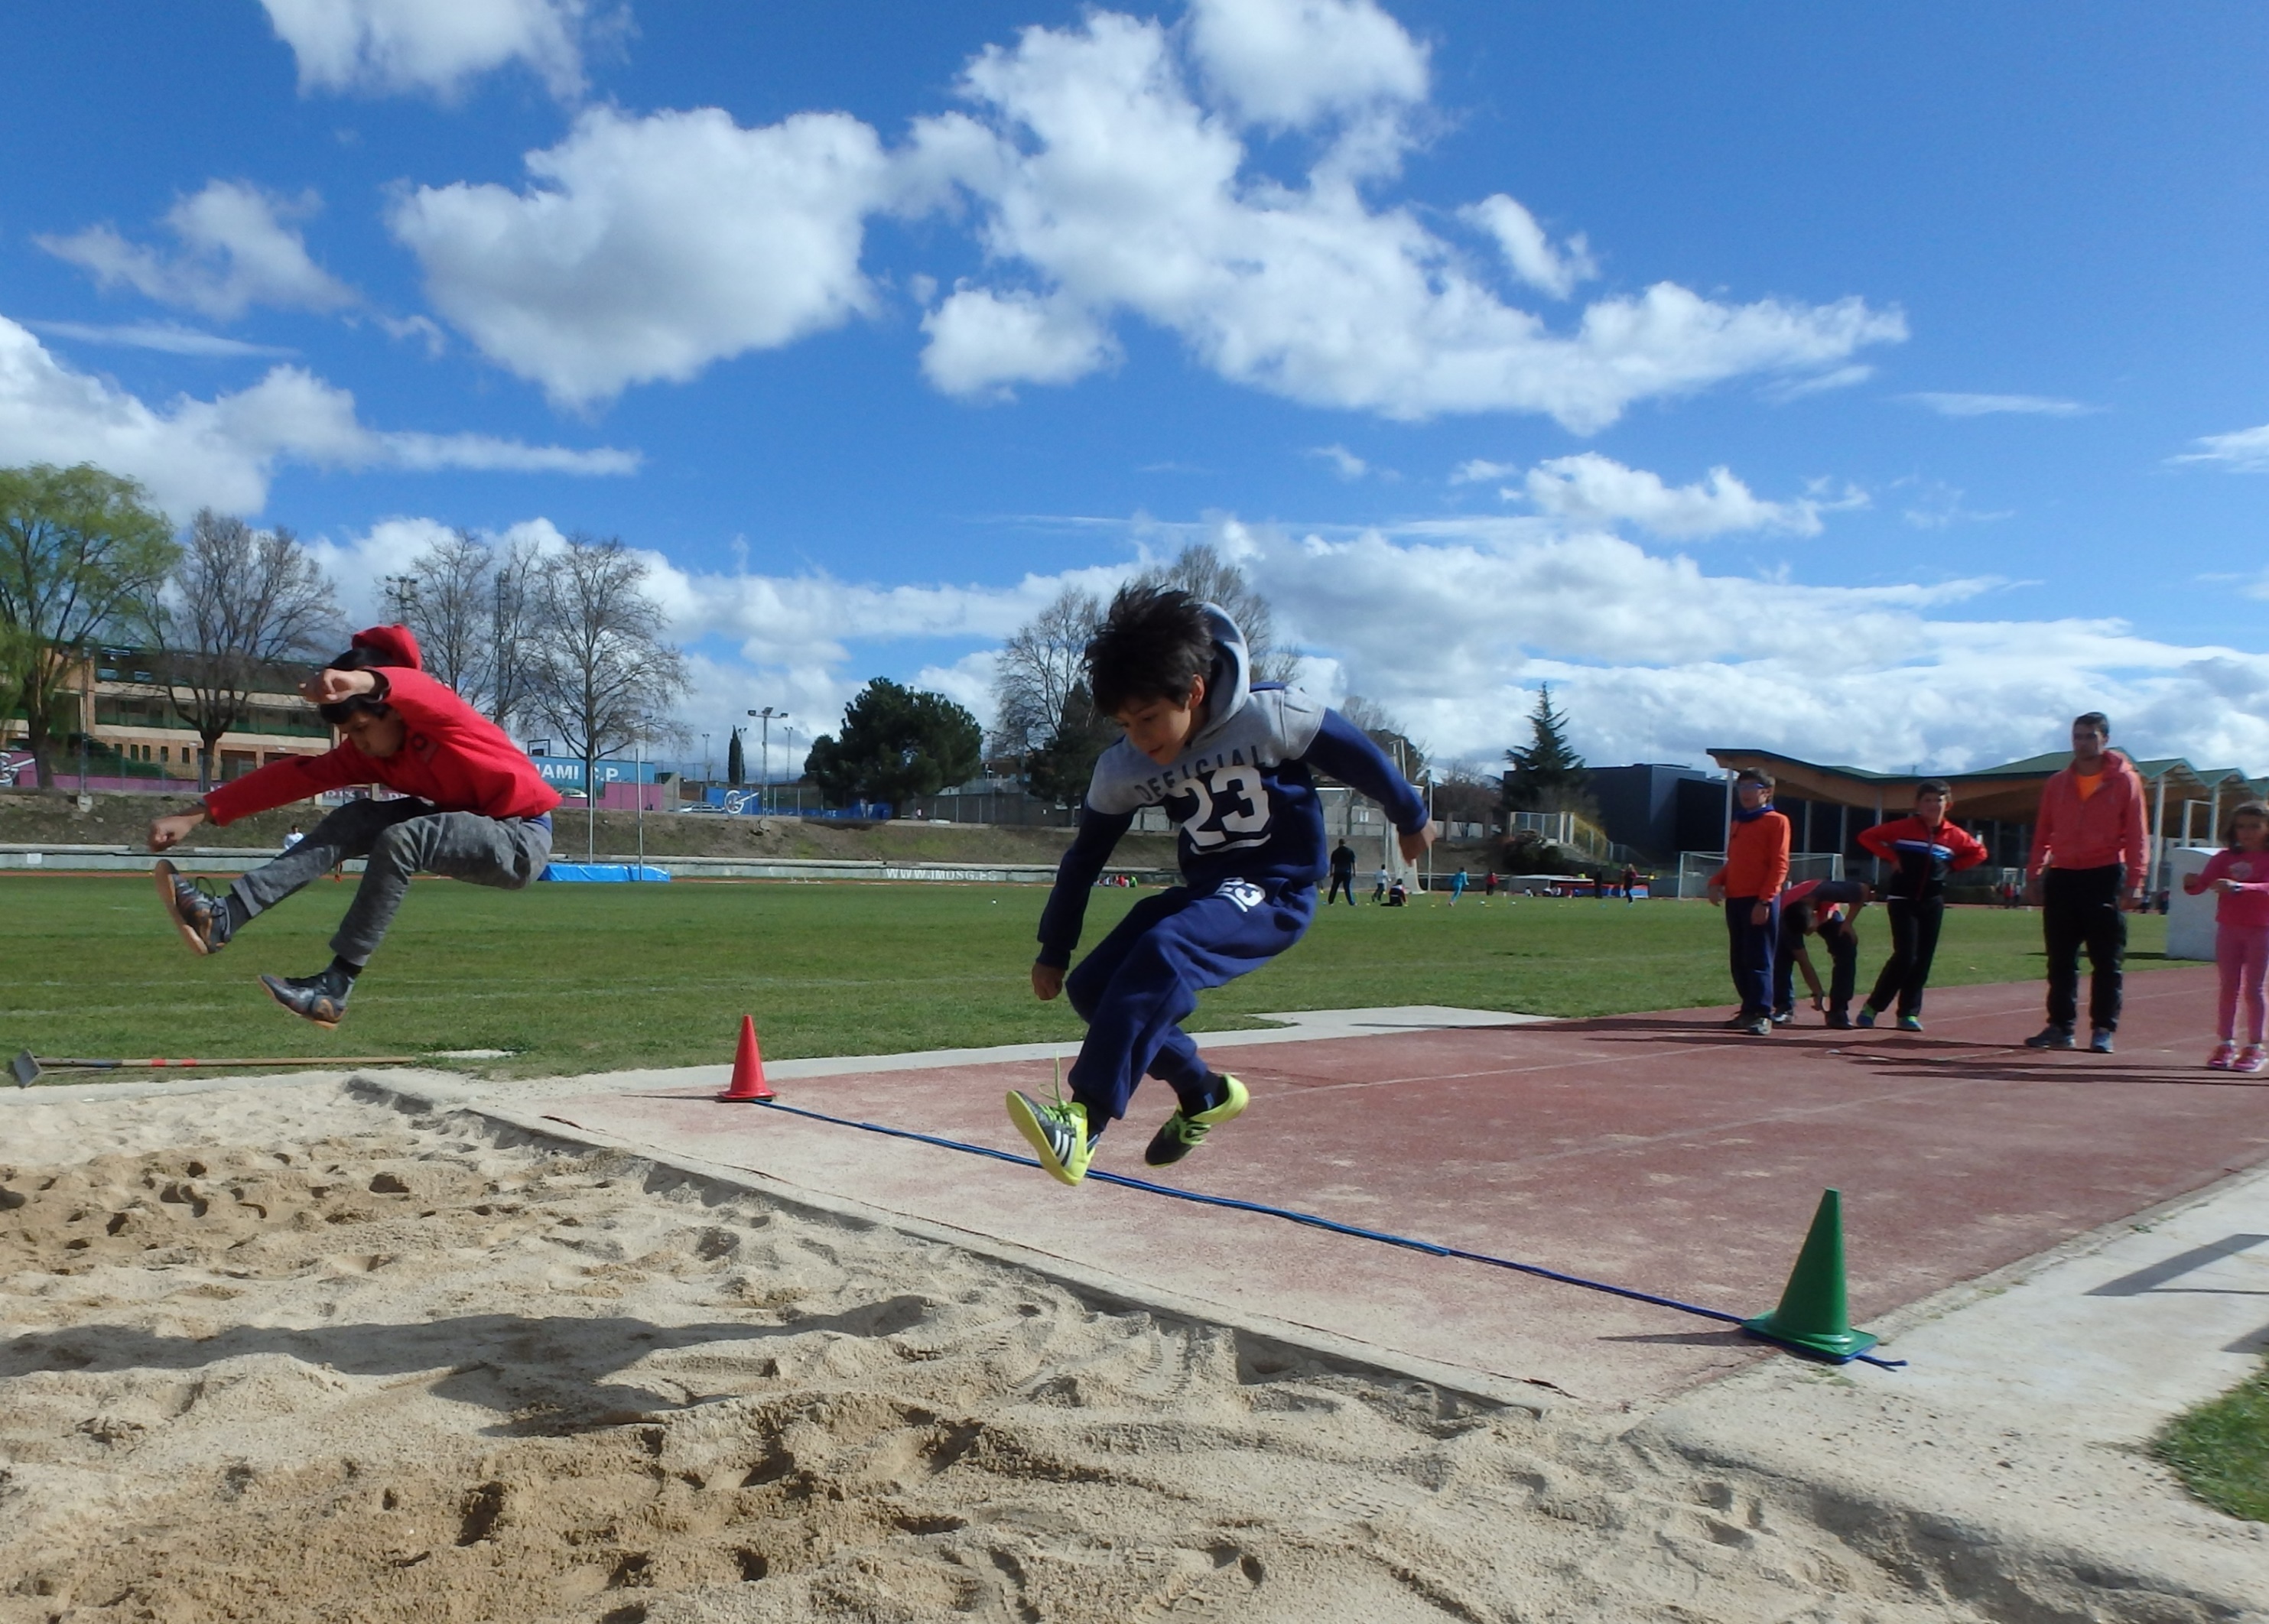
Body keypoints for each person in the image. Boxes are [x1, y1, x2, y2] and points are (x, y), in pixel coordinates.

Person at [1014, 588, 1432, 1185]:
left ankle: (1084, 1122)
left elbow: (1362, 760)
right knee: (1094, 988)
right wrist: (1055, 949)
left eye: (1149, 719)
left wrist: (1410, 817)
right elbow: (1084, 856)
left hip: (1275, 891)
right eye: (1124, 724)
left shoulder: (1272, 717)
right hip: (1210, 891)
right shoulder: (1124, 767)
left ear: (1194, 690)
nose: (1139, 737)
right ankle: (1203, 1091)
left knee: (1164, 951)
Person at [148, 625, 559, 1029]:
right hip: (464, 822)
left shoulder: (442, 719)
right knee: (356, 817)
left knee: (404, 838)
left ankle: (336, 985)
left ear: (393, 709)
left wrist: (362, 680)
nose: (357, 743)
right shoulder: (366, 756)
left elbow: (421, 690)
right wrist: (197, 812)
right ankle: (224, 917)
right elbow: (291, 778)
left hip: (519, 837)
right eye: (347, 734)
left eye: (362, 728)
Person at [2021, 713, 2149, 1054]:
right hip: (2062, 875)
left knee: (2106, 959)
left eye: (2089, 736)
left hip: (2104, 874)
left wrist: (2136, 881)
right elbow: (2043, 832)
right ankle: (2060, 1026)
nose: (2082, 743)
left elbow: (2137, 834)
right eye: (2077, 736)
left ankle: (2103, 1028)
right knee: (2060, 958)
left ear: (2105, 739)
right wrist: (2034, 872)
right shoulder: (2058, 783)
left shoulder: (2125, 781)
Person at [1853, 781, 1989, 1032]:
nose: (1932, 805)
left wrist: (1953, 867)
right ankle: (1872, 1007)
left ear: (1947, 805)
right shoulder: (1902, 828)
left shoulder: (1955, 835)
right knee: (1906, 956)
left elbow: (1979, 852)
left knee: (1923, 959)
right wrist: (1892, 857)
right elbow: (1867, 837)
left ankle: (1908, 1014)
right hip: (1903, 898)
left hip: (1932, 901)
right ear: (1917, 804)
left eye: (1938, 800)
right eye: (1926, 800)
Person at [2183, 800, 2269, 1073]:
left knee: (2254, 989)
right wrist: (2192, 884)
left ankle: (2255, 1046)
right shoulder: (2224, 857)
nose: (2247, 832)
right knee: (2228, 987)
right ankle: (2226, 1042)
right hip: (2229, 928)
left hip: (2262, 929)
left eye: (2255, 826)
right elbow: (2203, 885)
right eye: (2241, 826)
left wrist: (2241, 887)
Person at [1706, 770, 1791, 1036]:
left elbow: (1779, 865)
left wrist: (1765, 901)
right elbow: (1736, 863)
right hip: (1736, 899)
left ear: (1766, 791)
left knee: (1758, 959)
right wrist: (1716, 881)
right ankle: (1748, 1009)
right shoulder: (1739, 822)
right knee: (1740, 959)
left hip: (1759, 899)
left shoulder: (1777, 821)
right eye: (1740, 786)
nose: (1744, 792)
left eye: (1751, 786)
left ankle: (1763, 1013)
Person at [1772, 879, 1873, 1028]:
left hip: (1827, 909)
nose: (1809, 935)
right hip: (1791, 914)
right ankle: (1784, 1006)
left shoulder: (1828, 891)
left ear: (1814, 915)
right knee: (1783, 953)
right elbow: (1804, 961)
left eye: (1810, 930)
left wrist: (1848, 923)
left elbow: (1863, 889)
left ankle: (1838, 1010)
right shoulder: (1788, 919)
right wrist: (1817, 992)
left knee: (1846, 946)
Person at [1325, 839, 1358, 906]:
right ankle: (1351, 902)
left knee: (1334, 887)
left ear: (1339, 843)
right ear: (1345, 843)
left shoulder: (1335, 852)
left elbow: (1332, 863)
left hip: (1337, 872)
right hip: (1347, 872)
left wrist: (1331, 872)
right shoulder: (1349, 851)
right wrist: (1355, 871)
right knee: (1347, 888)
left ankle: (1330, 902)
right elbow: (1353, 862)